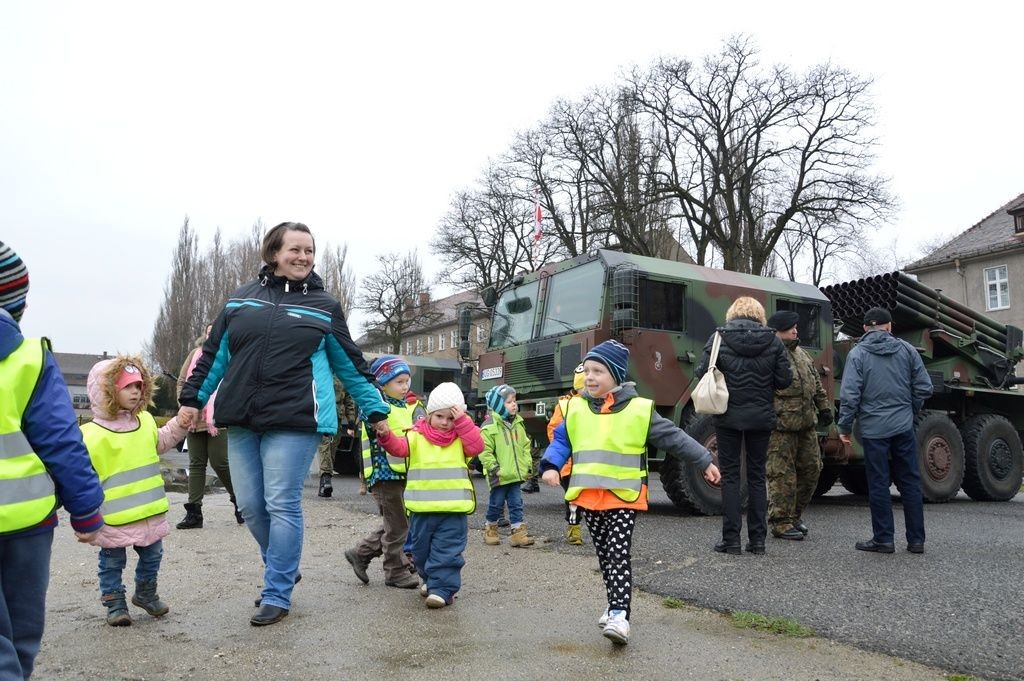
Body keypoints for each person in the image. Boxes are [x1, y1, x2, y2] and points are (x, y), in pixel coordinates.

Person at [178, 222, 391, 627]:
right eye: (295, 249)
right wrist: (193, 400)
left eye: (309, 251)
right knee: (252, 507)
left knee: (281, 503)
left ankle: (276, 589)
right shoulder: (241, 300)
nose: (303, 257)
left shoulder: (322, 306)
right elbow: (214, 356)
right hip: (241, 417)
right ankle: (282, 566)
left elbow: (350, 363)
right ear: (273, 253)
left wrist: (376, 410)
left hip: (295, 419)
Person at [541, 340, 720, 645]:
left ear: (616, 375)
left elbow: (675, 438)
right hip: (589, 496)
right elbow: (561, 442)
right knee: (603, 555)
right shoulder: (574, 408)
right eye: (586, 371)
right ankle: (613, 603)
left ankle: (620, 615)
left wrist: (704, 459)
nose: (590, 377)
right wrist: (551, 465)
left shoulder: (639, 410)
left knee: (618, 554)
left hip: (624, 497)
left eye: (598, 371)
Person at [0, 240, 105, 679]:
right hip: (26, 522)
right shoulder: (27, 358)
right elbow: (62, 443)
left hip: (28, 524)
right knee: (22, 636)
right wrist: (86, 511)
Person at [80, 356, 189, 626]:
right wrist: (81, 513)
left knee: (153, 555)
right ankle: (115, 603)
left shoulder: (146, 422)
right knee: (111, 562)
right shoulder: (90, 435)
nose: (135, 391)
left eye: (139, 386)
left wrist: (180, 423)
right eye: (127, 386)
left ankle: (146, 593)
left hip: (149, 512)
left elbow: (162, 441)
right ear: (106, 390)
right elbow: (79, 477)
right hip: (111, 516)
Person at [375, 382, 484, 609]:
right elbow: (398, 448)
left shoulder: (462, 439)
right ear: (429, 415)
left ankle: (443, 590)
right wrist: (385, 436)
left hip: (453, 511)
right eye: (440, 416)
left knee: (447, 552)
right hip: (422, 510)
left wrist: (464, 421)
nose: (445, 423)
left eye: (451, 418)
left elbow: (477, 446)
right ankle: (431, 580)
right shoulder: (416, 436)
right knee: (420, 552)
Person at [696, 297, 791, 556]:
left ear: (732, 314)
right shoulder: (773, 341)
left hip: (728, 417)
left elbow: (701, 371)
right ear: (759, 315)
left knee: (730, 475)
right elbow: (785, 380)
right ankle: (758, 541)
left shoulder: (718, 338)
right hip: (761, 417)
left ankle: (731, 540)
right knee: (758, 477)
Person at [838, 307, 933, 554]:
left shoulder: (857, 354)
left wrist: (845, 428)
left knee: (878, 483)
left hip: (872, 430)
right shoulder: (907, 350)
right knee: (910, 482)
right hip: (903, 427)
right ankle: (916, 541)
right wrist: (909, 410)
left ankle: (884, 539)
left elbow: (849, 396)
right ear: (889, 326)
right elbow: (924, 387)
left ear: (864, 329)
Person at [343, 356, 424, 589]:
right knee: (398, 525)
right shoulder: (376, 406)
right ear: (383, 383)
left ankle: (361, 553)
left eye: (407, 380)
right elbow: (374, 422)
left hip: (402, 473)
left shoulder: (403, 406)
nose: (405, 386)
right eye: (399, 381)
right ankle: (395, 571)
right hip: (384, 475)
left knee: (397, 522)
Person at [765, 310, 832, 541]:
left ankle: (794, 515)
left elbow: (816, 383)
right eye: (790, 327)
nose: (796, 330)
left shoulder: (802, 354)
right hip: (780, 427)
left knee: (812, 470)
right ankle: (780, 522)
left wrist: (824, 408)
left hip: (806, 425)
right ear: (777, 331)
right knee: (781, 475)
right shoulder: (768, 354)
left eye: (795, 326)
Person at [176, 326, 242, 528]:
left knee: (220, 462)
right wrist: (184, 406)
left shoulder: (231, 355)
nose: (210, 335)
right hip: (194, 418)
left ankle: (240, 501)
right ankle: (194, 512)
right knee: (196, 464)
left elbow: (234, 384)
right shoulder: (195, 354)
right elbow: (182, 381)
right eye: (208, 331)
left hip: (219, 418)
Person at [479, 384, 535, 548]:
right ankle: (491, 530)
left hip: (515, 474)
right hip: (499, 474)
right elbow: (484, 451)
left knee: (516, 503)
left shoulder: (518, 423)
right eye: (509, 402)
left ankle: (518, 533)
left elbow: (525, 445)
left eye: (514, 401)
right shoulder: (489, 427)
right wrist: (495, 468)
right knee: (496, 504)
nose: (514, 404)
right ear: (497, 405)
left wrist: (526, 465)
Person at [546, 363, 586, 545]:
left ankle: (582, 527)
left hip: (587, 463)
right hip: (569, 464)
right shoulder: (564, 405)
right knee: (573, 498)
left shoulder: (597, 403)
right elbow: (554, 431)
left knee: (583, 497)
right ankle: (574, 528)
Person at [316, 377, 357, 498]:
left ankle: (325, 480)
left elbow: (348, 399)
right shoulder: (320, 371)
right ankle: (325, 479)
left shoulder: (341, 374)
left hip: (336, 417)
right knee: (325, 445)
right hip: (321, 415)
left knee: (332, 449)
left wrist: (351, 421)